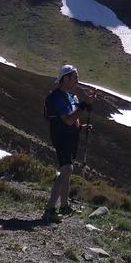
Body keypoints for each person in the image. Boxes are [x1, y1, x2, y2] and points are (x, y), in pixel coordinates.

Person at [43, 64, 95, 223]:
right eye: (75, 77)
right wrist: (85, 104)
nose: (77, 81)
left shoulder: (71, 97)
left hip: (70, 137)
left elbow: (73, 120)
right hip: (61, 136)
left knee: (67, 170)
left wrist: (81, 127)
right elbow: (67, 119)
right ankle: (50, 209)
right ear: (65, 78)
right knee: (67, 168)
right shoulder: (57, 97)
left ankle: (64, 205)